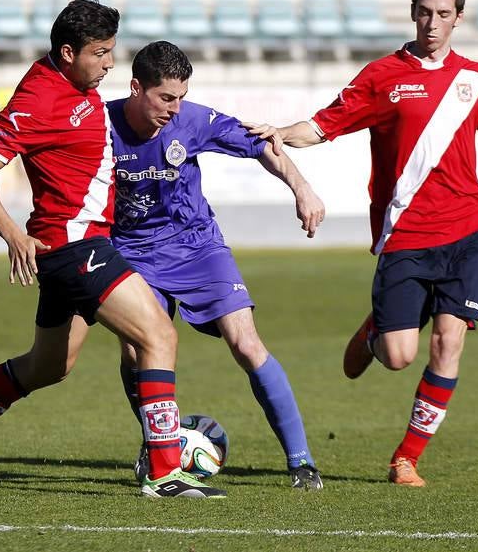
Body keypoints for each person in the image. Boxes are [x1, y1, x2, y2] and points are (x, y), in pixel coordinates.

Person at [247, 0, 478, 487]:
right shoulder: (382, 77)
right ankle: (378, 329)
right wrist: (278, 132)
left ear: (459, 17)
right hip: (406, 239)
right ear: (412, 13)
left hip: (467, 236)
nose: (433, 23)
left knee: (448, 344)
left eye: (444, 14)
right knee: (398, 357)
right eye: (424, 13)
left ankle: (405, 459)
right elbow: (322, 126)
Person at [0, 0, 224, 499]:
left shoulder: (76, 84)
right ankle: (165, 471)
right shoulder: (38, 99)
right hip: (76, 247)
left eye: (111, 51)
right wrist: (13, 235)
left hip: (68, 250)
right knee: (158, 335)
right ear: (69, 52)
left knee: (48, 366)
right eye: (100, 53)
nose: (110, 63)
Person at [107, 40, 326, 490]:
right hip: (132, 252)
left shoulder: (192, 120)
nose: (175, 108)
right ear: (136, 88)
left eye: (181, 97)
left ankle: (302, 461)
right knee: (135, 350)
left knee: (246, 343)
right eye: (166, 97)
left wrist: (301, 187)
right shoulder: (101, 124)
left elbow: (262, 145)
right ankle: (157, 445)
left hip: (197, 245)